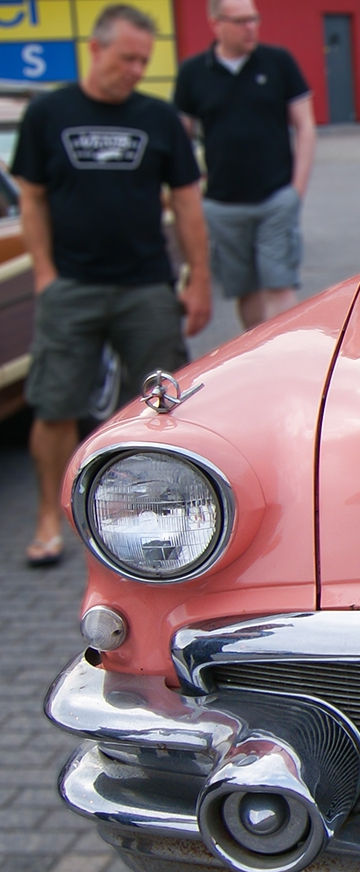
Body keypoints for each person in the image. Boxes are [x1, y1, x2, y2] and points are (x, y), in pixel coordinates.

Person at [11, 4, 212, 567]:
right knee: (54, 405)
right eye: (126, 58)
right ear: (95, 50)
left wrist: (198, 279)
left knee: (159, 405)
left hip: (147, 286)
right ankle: (51, 519)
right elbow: (31, 195)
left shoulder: (157, 117)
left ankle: (156, 515)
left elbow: (188, 202)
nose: (134, 70)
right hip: (72, 284)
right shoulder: (49, 113)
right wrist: (46, 272)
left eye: (143, 61)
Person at [173, 0, 316, 330]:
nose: (250, 27)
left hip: (276, 197)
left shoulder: (278, 63)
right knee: (246, 290)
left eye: (254, 19)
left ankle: (283, 355)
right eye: (240, 21)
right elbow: (181, 139)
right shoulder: (194, 73)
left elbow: (305, 126)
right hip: (223, 204)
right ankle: (256, 358)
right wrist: (192, 191)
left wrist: (296, 190)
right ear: (216, 23)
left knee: (280, 284)